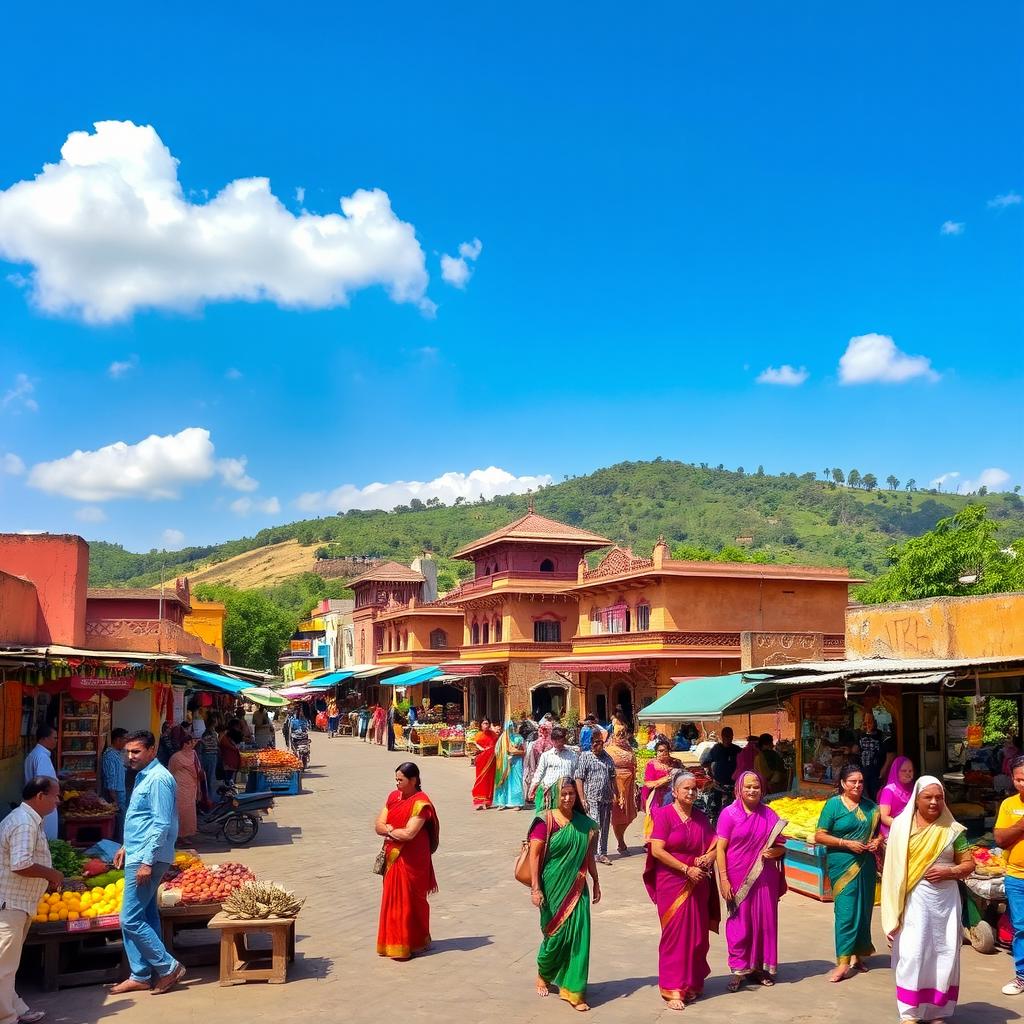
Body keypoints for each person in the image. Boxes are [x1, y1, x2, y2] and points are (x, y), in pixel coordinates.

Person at [881, 776, 974, 1021]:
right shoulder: (901, 826)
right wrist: (893, 909)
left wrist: (950, 871)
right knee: (913, 953)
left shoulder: (953, 830)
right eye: (928, 797)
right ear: (917, 799)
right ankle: (909, 1013)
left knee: (944, 953)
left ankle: (937, 1011)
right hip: (914, 900)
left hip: (945, 902)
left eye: (939, 797)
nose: (934, 802)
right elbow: (893, 869)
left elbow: (969, 864)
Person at [110, 730, 184, 995]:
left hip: (147, 857)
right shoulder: (144, 776)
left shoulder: (158, 779)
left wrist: (146, 862)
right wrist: (126, 846)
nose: (130, 757)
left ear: (152, 750)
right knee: (146, 914)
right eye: (127, 752)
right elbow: (142, 820)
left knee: (129, 919)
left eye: (136, 752)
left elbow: (161, 823)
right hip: (139, 851)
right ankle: (141, 974)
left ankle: (167, 967)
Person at [643, 771, 720, 1010]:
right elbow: (657, 850)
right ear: (674, 792)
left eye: (694, 788)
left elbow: (716, 845)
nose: (690, 792)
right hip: (673, 882)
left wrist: (708, 857)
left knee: (697, 935)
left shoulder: (701, 817)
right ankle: (674, 987)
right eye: (685, 788)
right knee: (675, 936)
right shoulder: (663, 815)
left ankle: (692, 983)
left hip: (699, 884)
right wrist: (686, 869)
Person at [528, 778, 600, 1011]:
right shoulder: (544, 820)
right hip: (551, 885)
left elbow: (589, 857)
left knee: (579, 937)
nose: (568, 799)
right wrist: (536, 888)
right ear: (556, 796)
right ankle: (544, 972)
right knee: (555, 936)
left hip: (579, 886)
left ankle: (574, 990)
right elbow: (535, 856)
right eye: (564, 794)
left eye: (572, 794)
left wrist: (596, 881)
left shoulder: (586, 824)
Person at [716, 770, 787, 989]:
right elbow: (720, 849)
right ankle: (738, 970)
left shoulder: (769, 814)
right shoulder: (729, 814)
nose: (752, 790)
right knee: (740, 924)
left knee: (763, 923)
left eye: (756, 786)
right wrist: (724, 880)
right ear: (739, 788)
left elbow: (781, 846)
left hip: (765, 878)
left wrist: (774, 853)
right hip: (737, 878)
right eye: (747, 786)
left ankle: (758, 969)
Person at [0, 776, 63, 1024]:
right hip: (10, 903)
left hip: (19, 902)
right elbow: (21, 863)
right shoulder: (24, 823)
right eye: (55, 796)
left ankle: (15, 1008)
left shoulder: (28, 820)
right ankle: (7, 1017)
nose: (58, 801)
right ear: (40, 796)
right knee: (4, 965)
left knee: (9, 965)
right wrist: (52, 875)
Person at [814, 764, 881, 982]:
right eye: (853, 781)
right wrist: (845, 843)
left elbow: (879, 834)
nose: (858, 785)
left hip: (866, 866)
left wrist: (876, 842)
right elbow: (820, 836)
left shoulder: (871, 808)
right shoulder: (833, 805)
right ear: (843, 783)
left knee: (863, 911)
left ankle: (857, 955)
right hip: (842, 866)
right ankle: (842, 962)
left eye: (861, 781)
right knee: (845, 913)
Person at [374, 761, 440, 959]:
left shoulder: (422, 803)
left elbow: (410, 834)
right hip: (393, 857)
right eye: (395, 780)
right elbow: (378, 824)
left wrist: (389, 830)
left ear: (414, 780)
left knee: (412, 901)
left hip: (413, 859)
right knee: (393, 899)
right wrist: (391, 831)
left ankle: (415, 942)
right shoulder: (393, 797)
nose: (397, 784)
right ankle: (393, 942)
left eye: (400, 780)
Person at [995, 755, 1024, 995]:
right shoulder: (1008, 805)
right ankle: (1022, 977)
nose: (1023, 784)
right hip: (1016, 877)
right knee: (1021, 928)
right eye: (1019, 780)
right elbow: (1000, 840)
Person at [574, 731, 616, 865]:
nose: (595, 746)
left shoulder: (608, 758)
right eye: (593, 743)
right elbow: (579, 778)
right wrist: (582, 798)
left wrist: (617, 794)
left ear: (603, 744)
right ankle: (593, 853)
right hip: (591, 798)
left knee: (604, 826)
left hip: (606, 798)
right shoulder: (585, 757)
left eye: (598, 743)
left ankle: (602, 853)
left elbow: (612, 777)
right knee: (595, 825)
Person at [528, 727, 578, 811]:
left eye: (562, 740)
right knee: (550, 818)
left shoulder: (572, 755)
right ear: (552, 740)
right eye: (557, 741)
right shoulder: (546, 755)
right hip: (550, 792)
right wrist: (533, 787)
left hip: (566, 794)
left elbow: (576, 773)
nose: (560, 743)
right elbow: (539, 772)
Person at [606, 726, 638, 856]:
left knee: (629, 814)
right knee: (619, 814)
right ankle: (620, 841)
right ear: (613, 735)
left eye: (623, 733)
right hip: (617, 785)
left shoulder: (628, 748)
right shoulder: (608, 750)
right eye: (618, 733)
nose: (621, 736)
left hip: (629, 785)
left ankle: (622, 838)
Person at [23, 726, 59, 841]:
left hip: (36, 804)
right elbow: (45, 784)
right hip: (43, 804)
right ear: (44, 738)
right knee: (47, 840)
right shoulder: (41, 757)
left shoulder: (33, 754)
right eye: (54, 738)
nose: (56, 741)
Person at [642, 740, 682, 842]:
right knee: (659, 820)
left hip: (675, 795)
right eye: (660, 751)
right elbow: (648, 783)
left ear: (669, 751)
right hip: (658, 797)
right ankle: (656, 842)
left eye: (665, 750)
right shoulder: (652, 765)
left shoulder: (676, 763)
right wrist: (664, 780)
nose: (662, 753)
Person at [168, 735, 200, 846]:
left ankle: (185, 835)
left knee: (189, 813)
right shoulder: (176, 757)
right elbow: (171, 772)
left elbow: (198, 771)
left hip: (191, 787)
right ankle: (179, 837)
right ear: (185, 744)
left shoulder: (194, 755)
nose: (193, 744)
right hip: (180, 788)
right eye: (190, 742)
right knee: (181, 812)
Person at [857, 711, 894, 801]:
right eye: (866, 721)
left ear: (876, 721)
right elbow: (857, 750)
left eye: (870, 721)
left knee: (876, 796)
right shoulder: (861, 735)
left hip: (877, 772)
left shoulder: (882, 736)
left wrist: (884, 769)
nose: (868, 724)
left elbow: (891, 755)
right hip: (864, 771)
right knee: (864, 797)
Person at [101, 728, 129, 842]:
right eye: (124, 739)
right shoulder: (110, 755)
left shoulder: (117, 754)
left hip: (120, 790)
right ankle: (120, 841)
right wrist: (114, 798)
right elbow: (110, 777)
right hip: (116, 793)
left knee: (122, 818)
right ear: (118, 740)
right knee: (120, 819)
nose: (126, 742)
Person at [878, 757, 915, 838]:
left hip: (910, 830)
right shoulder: (889, 790)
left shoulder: (913, 789)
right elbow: (883, 817)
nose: (908, 773)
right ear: (896, 772)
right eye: (903, 771)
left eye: (910, 771)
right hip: (892, 832)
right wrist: (902, 826)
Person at [493, 721, 526, 809]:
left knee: (516, 782)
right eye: (509, 726)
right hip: (504, 764)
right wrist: (505, 754)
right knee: (503, 782)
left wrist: (515, 752)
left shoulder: (518, 738)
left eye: (512, 726)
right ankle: (501, 802)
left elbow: (524, 751)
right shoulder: (502, 739)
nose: (511, 728)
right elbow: (497, 751)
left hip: (516, 762)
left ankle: (517, 803)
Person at [702, 726, 740, 791]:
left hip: (733, 784)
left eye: (730, 736)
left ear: (732, 736)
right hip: (719, 784)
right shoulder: (716, 749)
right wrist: (711, 775)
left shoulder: (737, 750)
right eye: (726, 736)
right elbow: (705, 763)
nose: (728, 738)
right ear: (722, 736)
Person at [472, 719, 499, 809]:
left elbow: (497, 746)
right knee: (480, 779)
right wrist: (481, 749)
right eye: (484, 723)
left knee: (489, 780)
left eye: (487, 723)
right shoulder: (478, 735)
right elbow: (475, 743)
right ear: (481, 725)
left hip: (491, 760)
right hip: (481, 760)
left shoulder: (494, 735)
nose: (486, 725)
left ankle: (487, 801)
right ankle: (479, 801)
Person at [523, 721, 553, 801]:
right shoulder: (535, 743)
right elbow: (532, 758)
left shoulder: (553, 743)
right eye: (542, 730)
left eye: (545, 730)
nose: (543, 732)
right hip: (538, 766)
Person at [198, 715, 220, 794]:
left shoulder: (205, 733)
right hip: (211, 756)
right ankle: (209, 796)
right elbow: (217, 745)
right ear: (214, 722)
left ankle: (206, 795)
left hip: (205, 756)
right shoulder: (213, 734)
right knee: (210, 778)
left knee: (206, 778)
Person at [219, 723, 243, 788]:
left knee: (229, 780)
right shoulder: (225, 740)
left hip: (230, 764)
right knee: (228, 780)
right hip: (229, 764)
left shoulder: (226, 739)